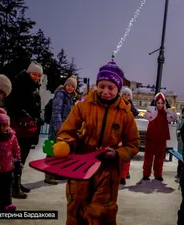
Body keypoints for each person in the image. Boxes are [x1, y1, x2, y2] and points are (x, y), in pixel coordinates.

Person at [56, 61, 140, 224]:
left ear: (118, 89)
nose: (105, 91)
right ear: (96, 85)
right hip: (80, 165)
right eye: (102, 86)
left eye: (111, 87)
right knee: (77, 207)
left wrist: (117, 154)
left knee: (102, 212)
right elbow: (67, 131)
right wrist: (66, 143)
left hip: (107, 171)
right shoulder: (82, 106)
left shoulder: (125, 114)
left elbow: (133, 144)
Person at [5, 61, 44, 199]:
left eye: (39, 75)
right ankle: (12, 186)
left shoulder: (34, 87)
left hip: (29, 128)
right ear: (28, 73)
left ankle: (17, 182)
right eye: (34, 74)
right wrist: (25, 116)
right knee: (15, 157)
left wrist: (37, 117)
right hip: (19, 127)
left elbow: (35, 106)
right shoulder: (19, 85)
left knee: (22, 157)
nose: (37, 77)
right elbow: (11, 104)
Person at [45, 76, 78, 185]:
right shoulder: (60, 94)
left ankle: (55, 172)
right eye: (69, 85)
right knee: (52, 149)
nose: (70, 88)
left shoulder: (69, 96)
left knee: (59, 150)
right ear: (65, 85)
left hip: (63, 127)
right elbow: (56, 111)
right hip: (57, 127)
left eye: (73, 86)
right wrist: (59, 128)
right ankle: (48, 174)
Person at [142, 93, 177, 182]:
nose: (160, 105)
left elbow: (173, 117)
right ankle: (146, 174)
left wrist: (170, 108)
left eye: (162, 103)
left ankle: (158, 174)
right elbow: (147, 116)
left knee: (159, 158)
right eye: (158, 103)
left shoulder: (166, 113)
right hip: (151, 138)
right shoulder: (152, 112)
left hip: (161, 139)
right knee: (148, 158)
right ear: (155, 103)